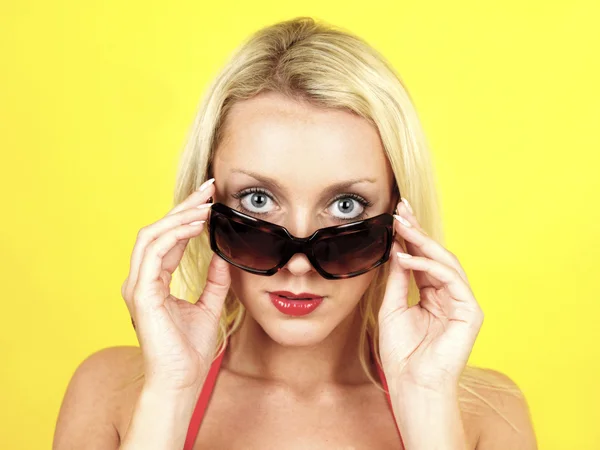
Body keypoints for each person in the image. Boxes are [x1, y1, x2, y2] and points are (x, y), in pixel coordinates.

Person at [53, 16, 537, 450]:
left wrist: (428, 405)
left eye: (345, 206)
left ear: (398, 218)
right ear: (204, 203)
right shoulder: (110, 394)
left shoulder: (486, 417)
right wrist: (171, 395)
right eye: (258, 201)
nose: (298, 263)